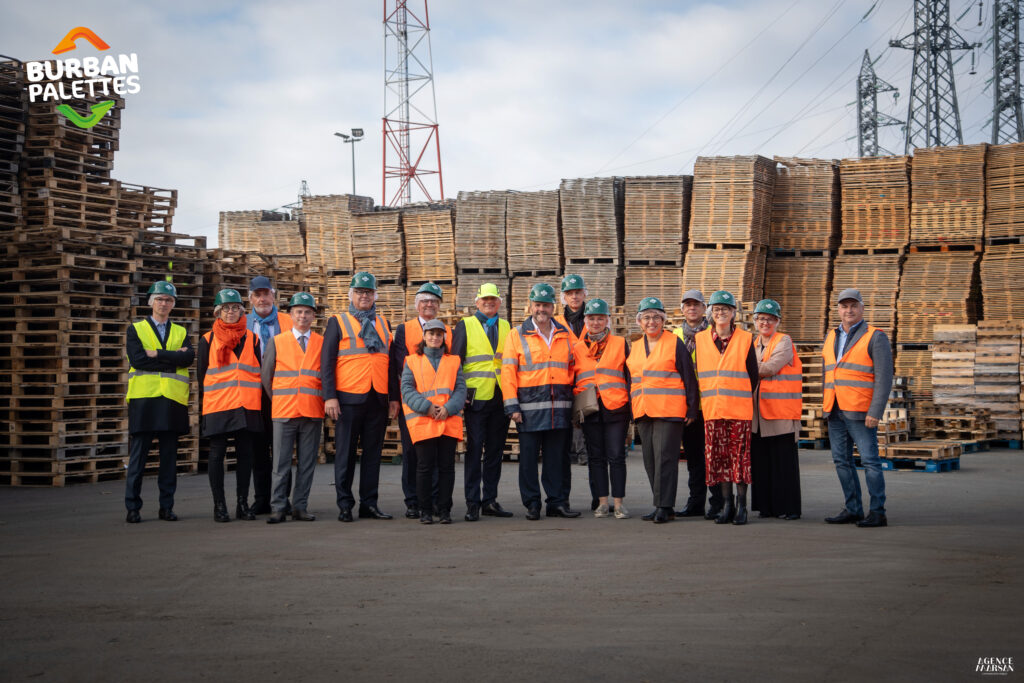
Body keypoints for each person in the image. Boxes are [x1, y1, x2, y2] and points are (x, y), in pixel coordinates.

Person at [322, 271, 394, 522]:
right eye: (360, 292)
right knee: (345, 454)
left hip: (377, 398)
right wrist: (329, 396)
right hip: (348, 399)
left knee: (373, 455)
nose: (365, 296)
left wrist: (393, 398)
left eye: (369, 292)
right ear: (351, 295)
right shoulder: (338, 322)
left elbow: (390, 364)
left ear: (375, 296)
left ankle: (369, 504)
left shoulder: (383, 323)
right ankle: (345, 505)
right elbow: (327, 362)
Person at [502, 283, 579, 520]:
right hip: (529, 410)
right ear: (530, 306)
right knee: (528, 461)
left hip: (560, 409)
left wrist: (576, 403)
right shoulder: (516, 334)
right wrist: (512, 406)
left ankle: (557, 503)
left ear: (553, 307)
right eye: (537, 305)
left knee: (557, 461)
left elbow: (574, 368)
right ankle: (532, 504)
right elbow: (508, 372)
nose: (541, 309)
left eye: (546, 305)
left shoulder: (565, 334)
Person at [124, 281, 194, 523]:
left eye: (168, 300)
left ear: (173, 304)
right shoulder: (136, 329)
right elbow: (138, 360)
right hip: (144, 400)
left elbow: (188, 359)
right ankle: (133, 508)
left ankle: (167, 507)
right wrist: (173, 359)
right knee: (138, 458)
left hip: (172, 400)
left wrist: (158, 354)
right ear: (150, 302)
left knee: (169, 460)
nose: (164, 303)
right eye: (159, 299)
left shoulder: (181, 331)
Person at [823, 288, 893, 528]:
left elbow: (884, 378)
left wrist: (875, 411)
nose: (849, 310)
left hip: (861, 411)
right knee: (841, 461)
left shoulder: (875, 337)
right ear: (838, 309)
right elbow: (828, 373)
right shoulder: (831, 336)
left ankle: (878, 512)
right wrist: (825, 405)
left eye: (853, 306)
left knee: (870, 462)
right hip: (834, 409)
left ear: (862, 308)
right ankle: (853, 509)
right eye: (844, 306)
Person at [627, 297, 699, 524]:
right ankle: (660, 504)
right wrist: (632, 410)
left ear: (663, 320)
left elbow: (689, 377)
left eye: (656, 317)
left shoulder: (674, 343)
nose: (651, 322)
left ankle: (665, 506)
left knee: (665, 458)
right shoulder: (636, 347)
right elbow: (632, 381)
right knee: (650, 460)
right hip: (643, 410)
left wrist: (692, 409)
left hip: (669, 411)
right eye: (646, 317)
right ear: (639, 321)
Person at [198, 289, 263, 522]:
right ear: (218, 312)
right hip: (219, 404)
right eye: (226, 308)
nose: (230, 312)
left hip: (247, 404)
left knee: (245, 455)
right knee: (217, 454)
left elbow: (258, 371)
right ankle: (219, 506)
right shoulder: (207, 340)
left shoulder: (252, 338)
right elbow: (201, 376)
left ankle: (242, 504)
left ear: (242, 311)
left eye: (235, 307)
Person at [694, 290, 759, 526]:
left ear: (733, 313)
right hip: (713, 410)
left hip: (739, 411)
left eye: (725, 309)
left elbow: (753, 375)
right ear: (710, 312)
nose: (720, 312)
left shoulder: (745, 339)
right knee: (720, 460)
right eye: (716, 309)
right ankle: (727, 505)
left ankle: (742, 506)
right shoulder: (701, 339)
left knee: (739, 460)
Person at [450, 283, 514, 521]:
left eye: (493, 299)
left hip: (500, 396)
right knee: (475, 451)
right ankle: (472, 503)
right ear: (477, 302)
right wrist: (459, 395)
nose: (489, 303)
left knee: (495, 452)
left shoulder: (506, 326)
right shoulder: (465, 325)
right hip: (475, 398)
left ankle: (490, 501)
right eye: (485, 299)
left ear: (499, 303)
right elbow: (455, 362)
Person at [260, 293, 325, 524]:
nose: (303, 316)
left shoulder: (321, 342)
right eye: (298, 312)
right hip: (284, 412)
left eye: (307, 312)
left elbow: (326, 376)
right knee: (280, 464)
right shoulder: (277, 341)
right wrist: (278, 398)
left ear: (313, 316)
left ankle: (300, 507)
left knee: (307, 464)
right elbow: (266, 376)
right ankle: (278, 507)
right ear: (290, 315)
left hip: (312, 412)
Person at [388, 282, 451, 520]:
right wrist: (400, 399)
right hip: (414, 404)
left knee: (436, 457)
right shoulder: (405, 329)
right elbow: (399, 365)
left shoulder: (448, 330)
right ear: (416, 305)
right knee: (413, 453)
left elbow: (452, 363)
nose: (429, 304)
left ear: (439, 305)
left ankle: (433, 501)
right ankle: (413, 501)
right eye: (425, 300)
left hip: (441, 406)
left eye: (434, 301)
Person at [401, 319, 467, 524]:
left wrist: (448, 408)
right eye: (431, 334)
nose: (435, 338)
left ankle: (444, 510)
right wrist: (427, 407)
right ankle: (426, 511)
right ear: (424, 336)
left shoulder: (454, 361)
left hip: (447, 419)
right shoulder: (411, 361)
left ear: (444, 338)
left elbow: (460, 389)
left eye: (439, 334)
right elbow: (407, 389)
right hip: (424, 420)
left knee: (447, 467)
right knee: (424, 467)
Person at [572, 298, 632, 519]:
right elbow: (573, 379)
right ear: (585, 321)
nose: (595, 322)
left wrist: (632, 408)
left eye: (600, 318)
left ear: (607, 320)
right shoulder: (578, 348)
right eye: (591, 318)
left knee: (616, 455)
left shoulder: (620, 343)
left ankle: (619, 503)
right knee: (595, 457)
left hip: (616, 407)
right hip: (590, 409)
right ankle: (602, 503)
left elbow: (630, 376)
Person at [672, 289, 725, 520]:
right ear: (682, 309)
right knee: (693, 458)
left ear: (705, 309)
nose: (692, 308)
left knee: (714, 457)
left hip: (712, 404)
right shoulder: (674, 336)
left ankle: (718, 503)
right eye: (688, 305)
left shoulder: (715, 334)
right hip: (687, 406)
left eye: (696, 304)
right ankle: (695, 503)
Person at [749, 299, 802, 521]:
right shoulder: (753, 344)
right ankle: (766, 507)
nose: (765, 323)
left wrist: (742, 367)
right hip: (758, 415)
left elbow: (770, 368)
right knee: (762, 462)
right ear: (755, 321)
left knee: (783, 463)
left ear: (777, 321)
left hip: (781, 413)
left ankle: (789, 507)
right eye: (761, 318)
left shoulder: (784, 341)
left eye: (770, 319)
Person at [246, 275, 293, 515]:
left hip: (281, 391)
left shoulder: (288, 321)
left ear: (274, 296)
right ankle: (262, 499)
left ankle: (282, 499)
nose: (262, 299)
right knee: (259, 448)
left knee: (283, 449)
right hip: (254, 393)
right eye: (257, 295)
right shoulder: (242, 323)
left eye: (266, 294)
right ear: (250, 298)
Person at [554, 274, 590, 500]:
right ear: (563, 297)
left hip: (589, 385)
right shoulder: (556, 322)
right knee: (562, 443)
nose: (574, 297)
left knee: (594, 444)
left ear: (585, 294)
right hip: (563, 385)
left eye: (578, 292)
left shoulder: (595, 316)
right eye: (570, 293)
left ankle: (599, 499)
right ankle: (562, 499)